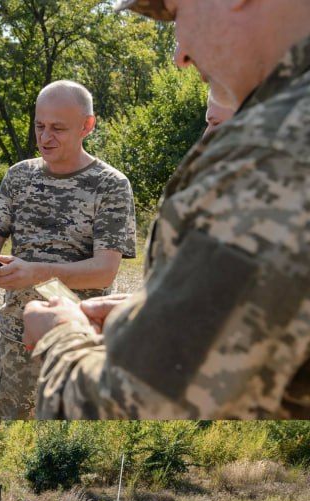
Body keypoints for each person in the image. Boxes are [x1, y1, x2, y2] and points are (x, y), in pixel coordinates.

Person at [22, 0, 310, 419]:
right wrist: (159, 316)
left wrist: (60, 336)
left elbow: (140, 410)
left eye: (176, 13)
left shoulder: (275, 151)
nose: (180, 55)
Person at [0, 80, 136, 420]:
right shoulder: (19, 177)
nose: (45, 137)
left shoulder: (110, 185)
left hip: (76, 344)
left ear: (87, 126)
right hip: (17, 344)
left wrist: (35, 272)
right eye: (39, 126)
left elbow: (105, 270)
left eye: (58, 128)